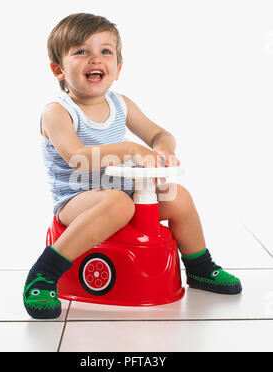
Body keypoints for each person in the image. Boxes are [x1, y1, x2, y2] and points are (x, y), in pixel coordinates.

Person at [23, 13, 242, 319]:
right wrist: (129, 148)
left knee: (177, 196)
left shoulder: (120, 104)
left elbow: (159, 134)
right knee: (118, 204)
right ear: (58, 70)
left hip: (122, 192)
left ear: (118, 68)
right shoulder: (58, 112)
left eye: (105, 51)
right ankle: (44, 272)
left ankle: (200, 267)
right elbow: (78, 158)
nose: (94, 58)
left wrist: (163, 149)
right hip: (75, 200)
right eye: (82, 51)